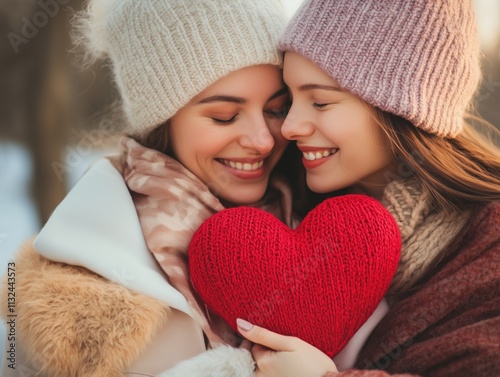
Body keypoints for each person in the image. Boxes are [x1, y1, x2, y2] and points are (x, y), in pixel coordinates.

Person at [0, 0, 298, 376]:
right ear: (161, 122)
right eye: (224, 116)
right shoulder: (71, 290)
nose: (263, 141)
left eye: (276, 109)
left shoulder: (323, 222)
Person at [236, 0, 500, 376]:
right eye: (289, 100)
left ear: (404, 106)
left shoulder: (487, 244)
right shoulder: (284, 204)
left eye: (321, 102)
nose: (290, 127)